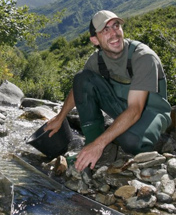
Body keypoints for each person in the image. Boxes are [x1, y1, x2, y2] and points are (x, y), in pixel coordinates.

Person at [45, 10, 172, 172]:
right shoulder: (96, 60)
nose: (114, 33)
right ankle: (93, 146)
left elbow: (135, 110)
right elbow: (79, 88)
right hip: (123, 107)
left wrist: (100, 143)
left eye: (116, 26)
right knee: (82, 78)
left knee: (130, 140)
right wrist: (60, 117)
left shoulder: (143, 57)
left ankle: (149, 154)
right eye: (105, 30)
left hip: (151, 112)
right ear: (94, 40)